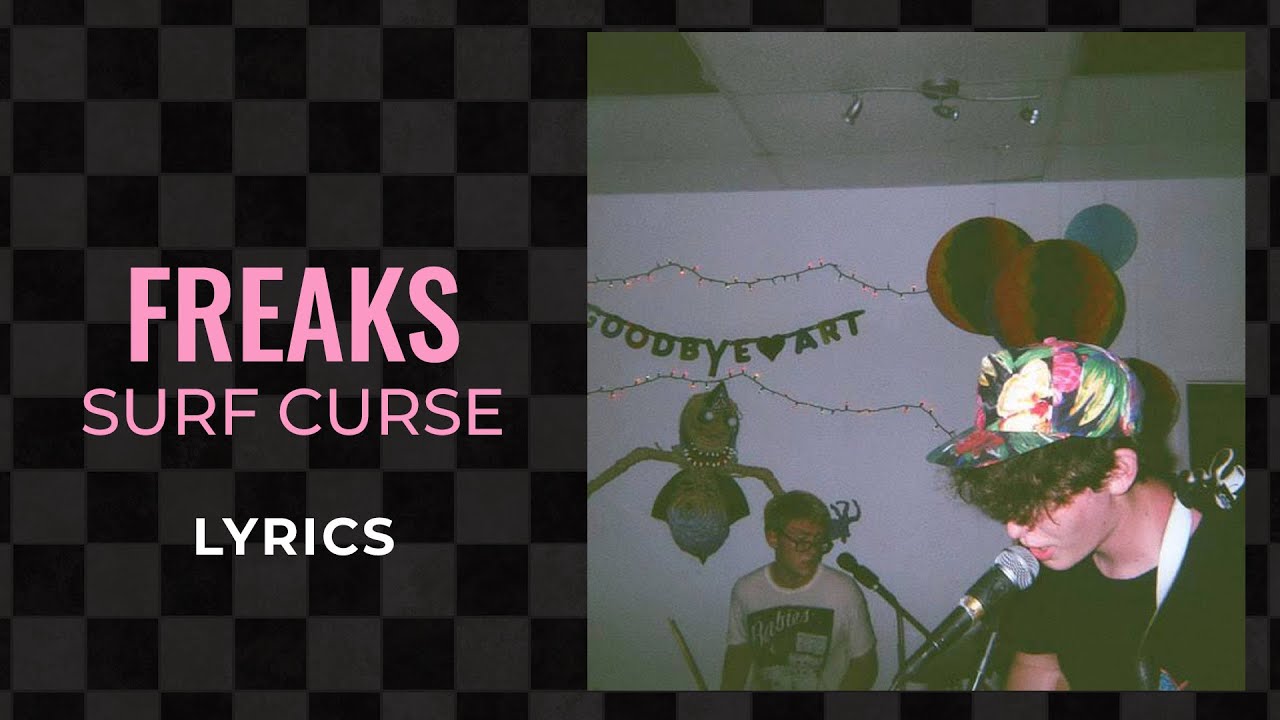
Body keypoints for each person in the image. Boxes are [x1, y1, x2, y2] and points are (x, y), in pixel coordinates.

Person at [926, 338, 1244, 690]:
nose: (1014, 528)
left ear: (1117, 472)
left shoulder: (1232, 570)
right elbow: (1040, 670)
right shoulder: (1052, 563)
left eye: (1037, 497)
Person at [720, 490, 878, 690]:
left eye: (818, 541)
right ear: (773, 538)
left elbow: (864, 664)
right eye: (802, 541)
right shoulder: (747, 590)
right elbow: (738, 653)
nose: (813, 552)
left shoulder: (843, 591)